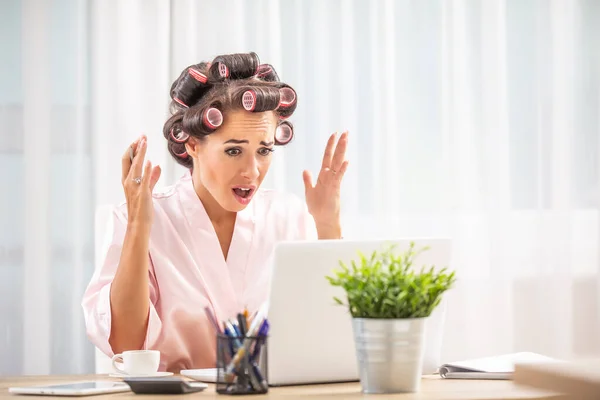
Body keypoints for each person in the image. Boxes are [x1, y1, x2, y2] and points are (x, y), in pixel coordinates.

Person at [81, 52, 349, 373]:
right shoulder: (138, 217)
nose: (252, 171)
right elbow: (125, 344)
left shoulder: (288, 215)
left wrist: (327, 223)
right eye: (233, 150)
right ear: (193, 144)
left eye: (263, 150)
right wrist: (140, 226)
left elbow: (330, 334)